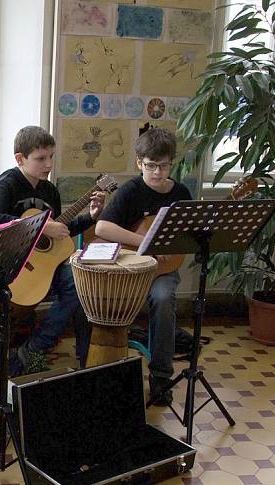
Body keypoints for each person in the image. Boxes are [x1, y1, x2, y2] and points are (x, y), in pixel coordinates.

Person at [0, 125, 104, 376]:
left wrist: (91, 217)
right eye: (41, 158)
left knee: (79, 285)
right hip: (6, 270)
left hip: (40, 271)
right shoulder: (8, 183)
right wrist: (41, 228)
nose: (48, 164)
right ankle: (12, 369)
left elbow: (59, 232)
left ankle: (34, 348)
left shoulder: (49, 190)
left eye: (51, 157)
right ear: (20, 159)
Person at [94, 127, 191, 406]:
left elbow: (190, 233)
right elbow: (102, 226)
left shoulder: (181, 193)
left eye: (163, 166)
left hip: (163, 271)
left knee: (163, 298)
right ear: (139, 162)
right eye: (151, 166)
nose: (158, 173)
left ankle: (160, 378)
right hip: (131, 270)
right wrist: (145, 240)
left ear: (172, 163)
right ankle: (107, 371)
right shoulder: (131, 191)